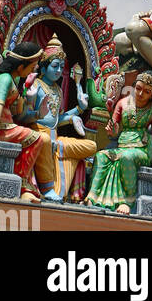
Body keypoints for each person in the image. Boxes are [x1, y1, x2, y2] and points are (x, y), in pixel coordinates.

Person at [22, 36, 97, 202]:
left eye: (61, 67)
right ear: (44, 67)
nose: (58, 71)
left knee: (91, 146)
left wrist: (79, 109)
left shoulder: (58, 89)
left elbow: (57, 119)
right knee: (46, 140)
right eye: (55, 66)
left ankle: (59, 151)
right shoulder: (36, 85)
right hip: (39, 133)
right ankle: (49, 188)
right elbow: (24, 116)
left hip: (56, 136)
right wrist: (30, 101)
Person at [86, 73, 152, 215]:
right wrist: (112, 130)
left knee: (127, 158)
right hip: (122, 145)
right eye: (138, 88)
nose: (141, 93)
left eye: (147, 91)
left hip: (140, 149)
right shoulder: (122, 103)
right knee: (101, 156)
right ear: (134, 87)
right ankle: (92, 197)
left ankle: (127, 201)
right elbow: (112, 131)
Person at [0, 41, 44, 200]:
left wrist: (26, 95)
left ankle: (22, 186)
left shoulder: (14, 80)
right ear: (20, 67)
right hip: (2, 127)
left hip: (8, 124)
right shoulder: (5, 79)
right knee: (36, 139)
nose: (34, 70)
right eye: (32, 67)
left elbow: (18, 112)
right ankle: (23, 187)